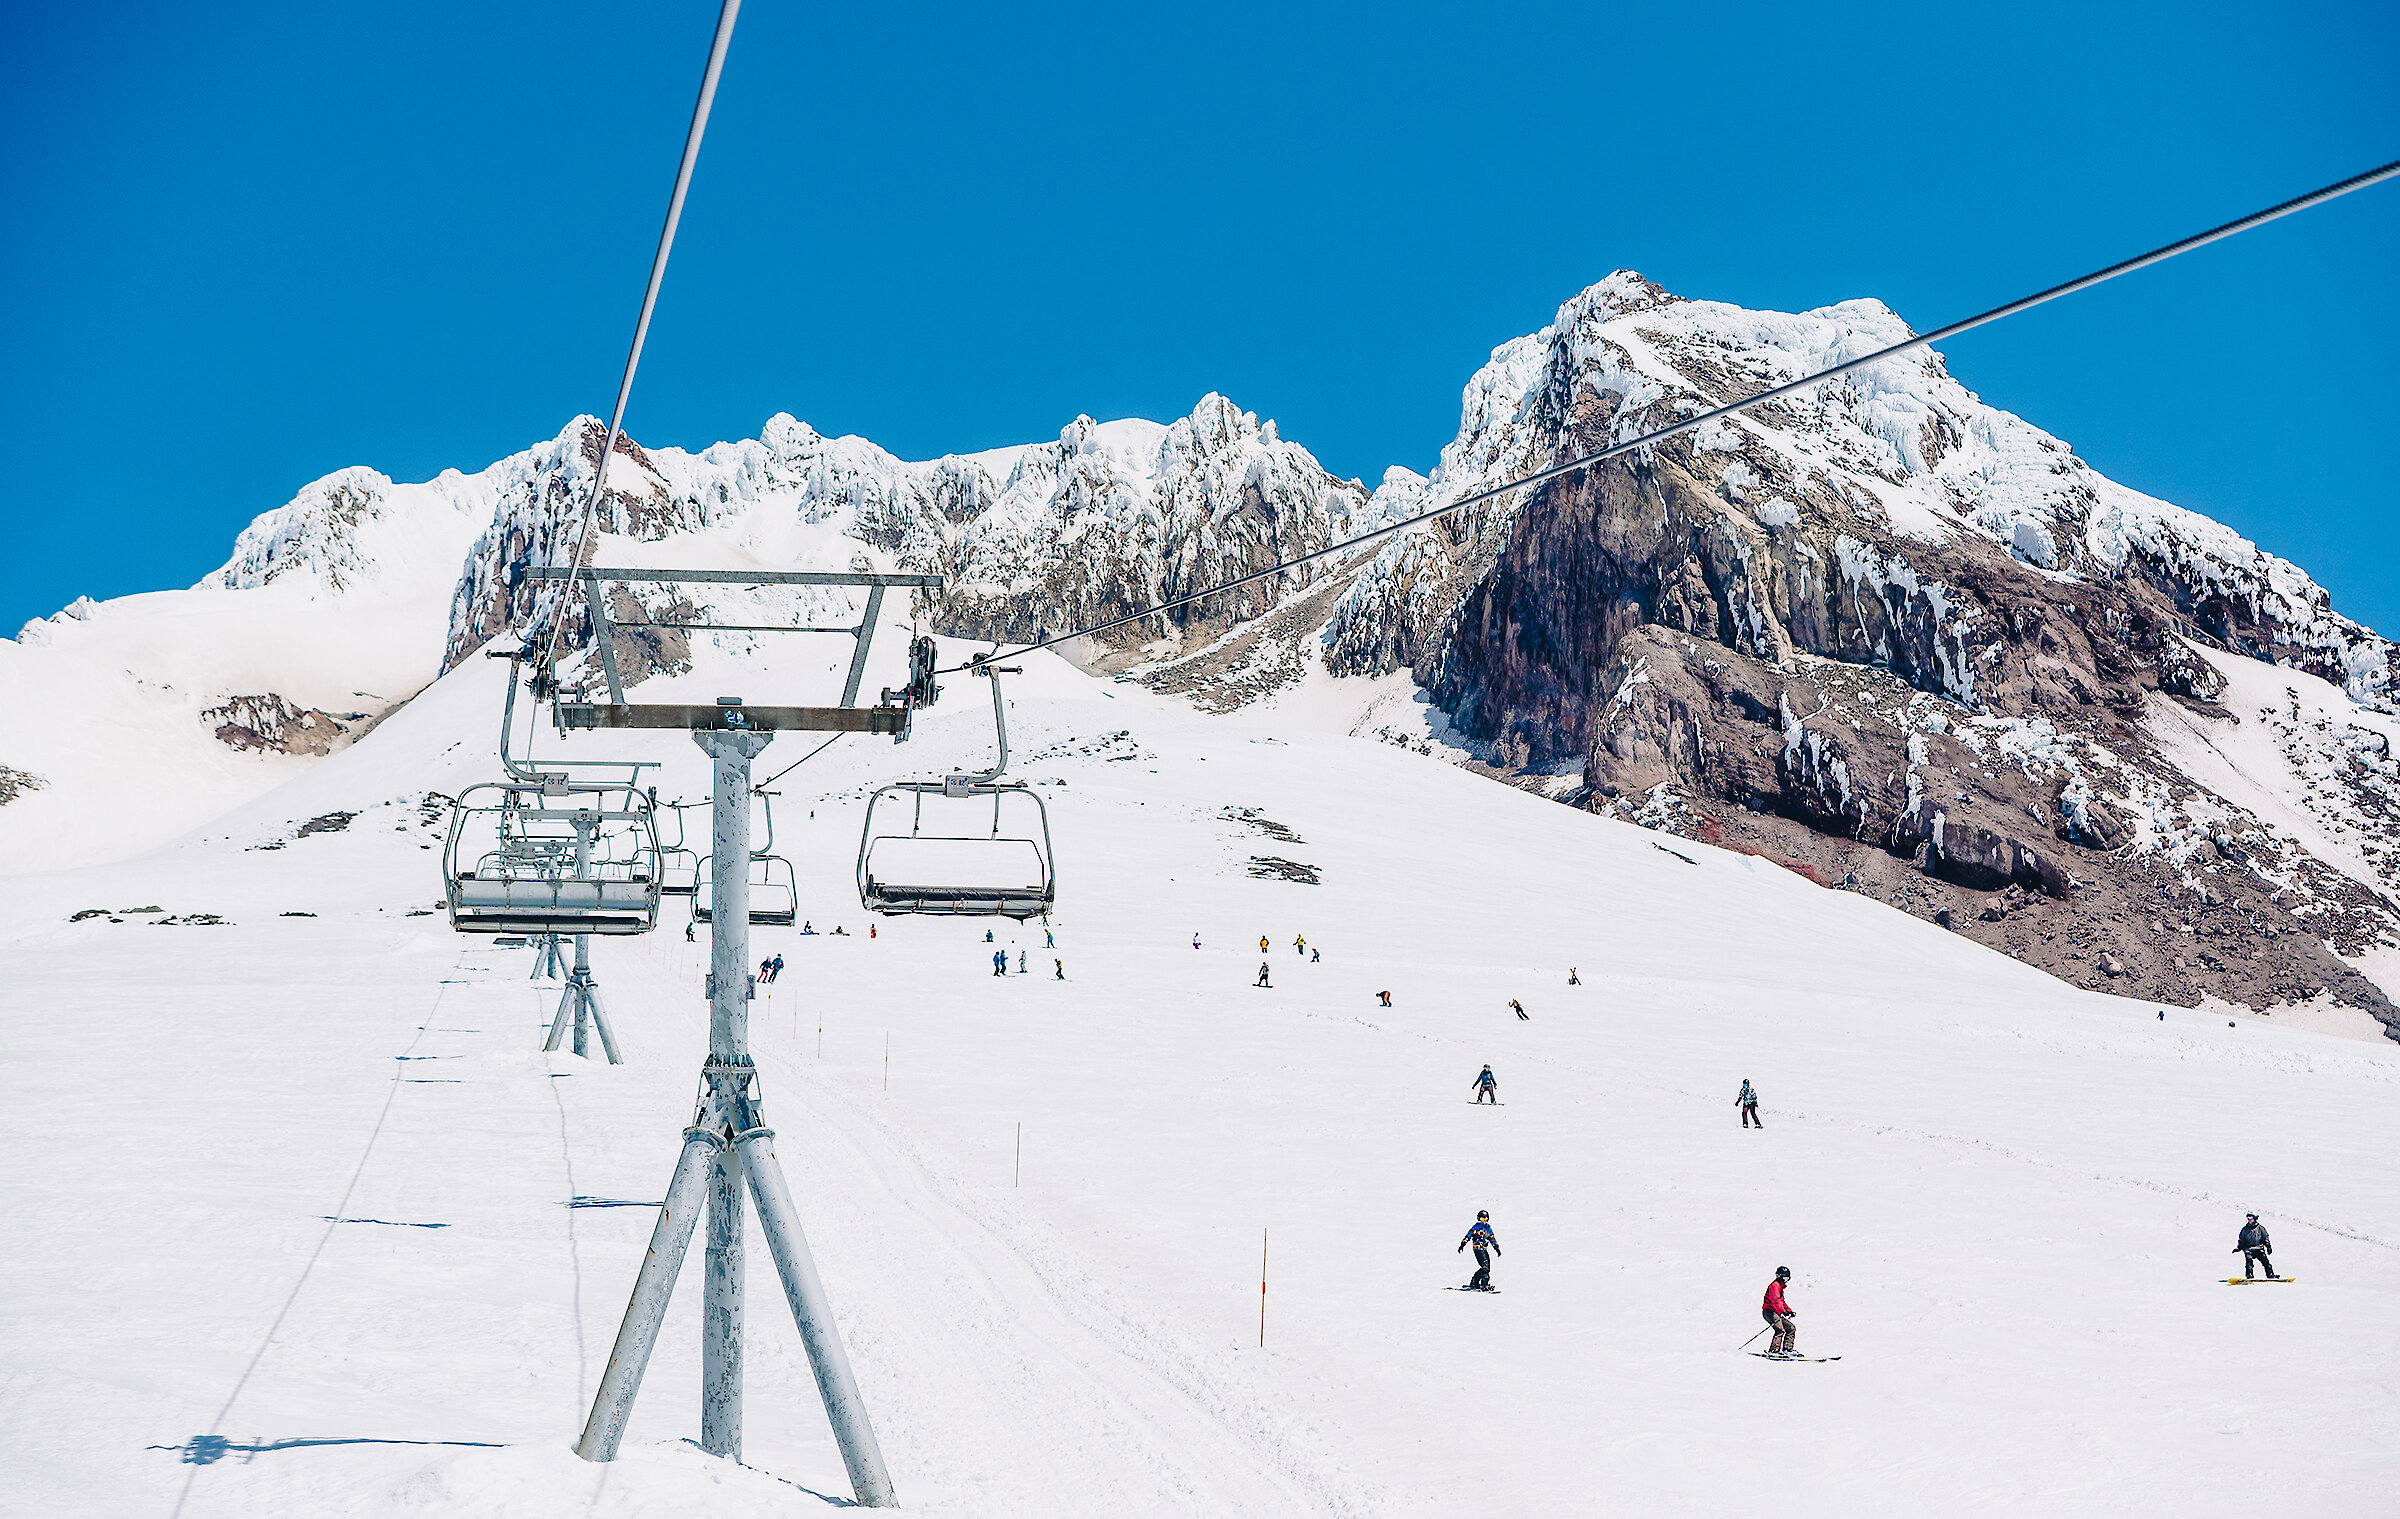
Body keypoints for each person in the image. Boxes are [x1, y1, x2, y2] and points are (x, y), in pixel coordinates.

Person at [1458, 1211, 1500, 1290]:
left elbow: (1492, 1238)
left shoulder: (1488, 1228)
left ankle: (1481, 1283)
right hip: (1477, 1249)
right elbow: (1468, 1235)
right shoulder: (1476, 1227)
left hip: (1484, 1249)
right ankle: (1477, 1282)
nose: (1484, 1220)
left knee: (1486, 1268)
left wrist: (1496, 1248)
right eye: (1482, 1218)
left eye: (1485, 1218)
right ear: (1479, 1218)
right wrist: (1463, 1244)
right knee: (1485, 1267)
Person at [1762, 1267, 1797, 1357]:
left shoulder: (1779, 1287)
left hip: (1776, 1312)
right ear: (1780, 1277)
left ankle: (1787, 1349)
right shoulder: (1774, 1286)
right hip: (1769, 1312)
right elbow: (1776, 1301)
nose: (1786, 1281)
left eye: (1787, 1279)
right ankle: (1773, 1350)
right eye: (1785, 1278)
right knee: (1780, 1329)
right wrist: (1783, 1311)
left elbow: (1782, 1302)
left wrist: (1788, 1311)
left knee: (1791, 1328)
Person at [2235, 1214, 2276, 1279]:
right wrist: (2239, 1247)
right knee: (2249, 1262)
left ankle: (2270, 1274)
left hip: (2259, 1248)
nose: (2249, 1220)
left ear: (2254, 1219)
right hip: (2249, 1249)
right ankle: (2249, 1275)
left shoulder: (2260, 1228)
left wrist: (2268, 1247)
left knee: (2265, 1262)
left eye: (2251, 1218)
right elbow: (2242, 1239)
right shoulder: (2245, 1229)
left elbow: (2265, 1238)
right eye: (2248, 1218)